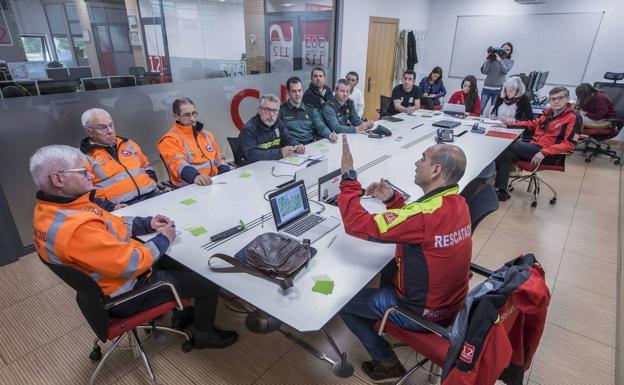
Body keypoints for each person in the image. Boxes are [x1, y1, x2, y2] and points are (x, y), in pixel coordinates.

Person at [31, 145, 239, 349]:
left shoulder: (55, 210)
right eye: (83, 172)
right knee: (208, 281)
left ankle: (183, 312)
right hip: (126, 293)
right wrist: (163, 238)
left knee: (182, 262)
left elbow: (112, 224)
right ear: (58, 179)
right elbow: (130, 263)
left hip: (108, 283)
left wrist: (148, 224)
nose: (91, 176)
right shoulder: (78, 229)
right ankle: (205, 335)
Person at [337, 136, 472, 383]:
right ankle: (382, 324)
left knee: (341, 304)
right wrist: (392, 201)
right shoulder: (458, 203)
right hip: (454, 306)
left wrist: (348, 179)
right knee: (385, 267)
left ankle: (386, 362)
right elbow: (419, 225)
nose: (416, 163)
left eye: (423, 159)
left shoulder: (423, 216)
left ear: (435, 170)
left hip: (421, 313)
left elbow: (357, 224)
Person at [494, 87, 582, 201]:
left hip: (550, 155)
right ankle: (501, 192)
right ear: (549, 101)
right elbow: (532, 124)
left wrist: (544, 152)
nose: (556, 101)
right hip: (535, 148)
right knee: (506, 154)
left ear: (568, 99)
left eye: (560, 98)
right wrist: (509, 125)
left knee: (508, 143)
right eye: (553, 99)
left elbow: (569, 144)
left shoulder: (574, 118)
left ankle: (490, 175)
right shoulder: (549, 113)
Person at [79, 108, 159, 206]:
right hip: (123, 206)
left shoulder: (128, 144)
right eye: (103, 127)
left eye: (111, 125)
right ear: (89, 131)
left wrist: (152, 182)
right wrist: (110, 208)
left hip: (153, 195)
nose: (110, 131)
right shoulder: (83, 157)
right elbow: (85, 193)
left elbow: (146, 166)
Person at [158, 97, 230, 187]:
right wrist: (195, 177)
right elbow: (177, 164)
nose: (192, 119)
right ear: (176, 116)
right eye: (187, 115)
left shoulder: (206, 135)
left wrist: (225, 170)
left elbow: (218, 158)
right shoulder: (169, 139)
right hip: (190, 186)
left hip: (214, 183)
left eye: (194, 113)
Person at [239, 94, 304, 163]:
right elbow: (252, 155)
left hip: (274, 163)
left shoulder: (278, 123)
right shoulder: (249, 129)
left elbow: (287, 138)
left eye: (275, 110)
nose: (271, 114)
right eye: (267, 110)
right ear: (259, 110)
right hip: (253, 167)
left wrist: (297, 146)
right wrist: (280, 153)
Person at [279, 76, 338, 144]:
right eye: (293, 91)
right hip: (291, 149)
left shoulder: (310, 110)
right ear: (288, 93)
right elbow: (282, 135)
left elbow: (320, 127)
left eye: (299, 90)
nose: (297, 94)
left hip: (309, 147)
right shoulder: (281, 111)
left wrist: (330, 135)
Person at [480, 42, 514, 115]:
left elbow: (504, 70)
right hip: (487, 87)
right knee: (481, 107)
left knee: (494, 110)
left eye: (507, 50)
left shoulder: (510, 61)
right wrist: (488, 59)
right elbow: (485, 71)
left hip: (498, 89)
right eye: (504, 49)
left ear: (510, 52)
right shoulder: (492, 59)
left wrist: (499, 60)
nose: (505, 51)